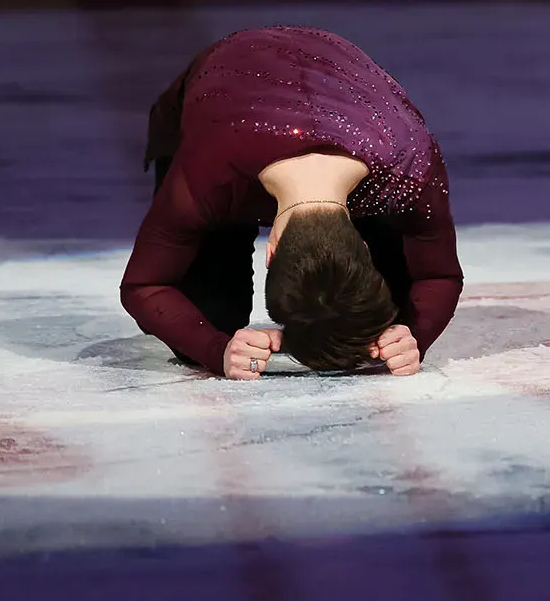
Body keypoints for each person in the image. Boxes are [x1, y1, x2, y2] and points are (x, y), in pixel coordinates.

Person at [121, 26, 464, 379]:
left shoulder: (407, 165)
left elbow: (439, 274)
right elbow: (143, 285)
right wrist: (216, 348)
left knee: (384, 315)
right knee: (209, 318)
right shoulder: (207, 176)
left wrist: (412, 338)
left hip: (343, 101)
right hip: (223, 104)